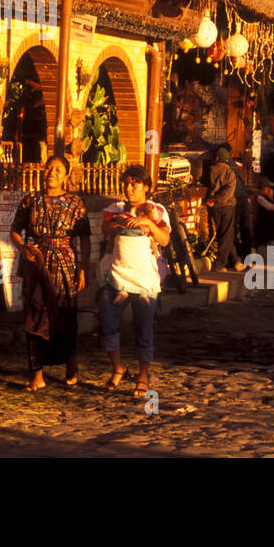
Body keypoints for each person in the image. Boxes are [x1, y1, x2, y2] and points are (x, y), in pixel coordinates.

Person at [10, 154, 90, 391]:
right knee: (34, 316)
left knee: (66, 315)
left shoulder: (76, 204)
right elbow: (15, 230)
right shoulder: (30, 201)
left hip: (65, 266)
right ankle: (37, 375)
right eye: (48, 168)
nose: (51, 173)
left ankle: (70, 364)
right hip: (36, 264)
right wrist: (22, 248)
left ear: (65, 176)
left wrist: (83, 269)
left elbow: (84, 239)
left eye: (57, 170)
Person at [99, 165, 171, 399]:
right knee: (107, 322)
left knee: (144, 327)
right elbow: (104, 228)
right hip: (117, 276)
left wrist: (148, 224)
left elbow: (165, 239)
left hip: (143, 280)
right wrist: (120, 222)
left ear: (147, 187)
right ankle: (118, 367)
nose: (129, 188)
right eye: (127, 183)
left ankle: (142, 375)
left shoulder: (157, 211)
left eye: (135, 184)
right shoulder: (116, 209)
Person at [203, 143, 245, 271]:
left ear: (216, 158)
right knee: (227, 234)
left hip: (214, 207)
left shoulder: (210, 170)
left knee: (224, 234)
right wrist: (217, 199)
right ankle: (219, 264)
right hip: (226, 206)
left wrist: (212, 200)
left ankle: (236, 260)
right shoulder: (229, 172)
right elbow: (228, 190)